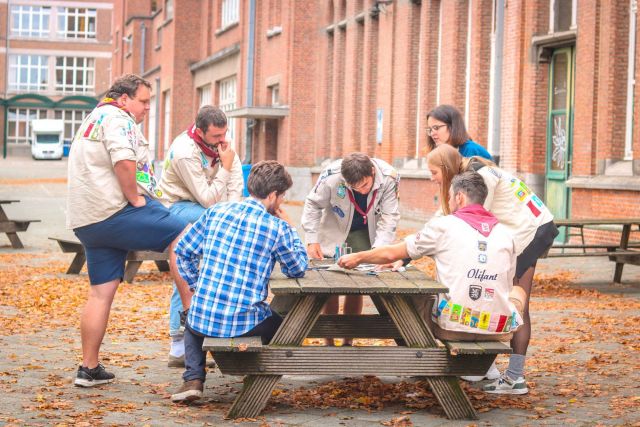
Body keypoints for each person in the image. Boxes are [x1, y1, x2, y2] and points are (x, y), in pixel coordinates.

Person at [67, 74, 191, 387]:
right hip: (115, 210)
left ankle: (89, 369)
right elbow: (124, 162)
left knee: (100, 293)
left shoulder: (93, 118)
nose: (148, 107)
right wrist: (135, 197)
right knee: (187, 232)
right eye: (144, 101)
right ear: (124, 99)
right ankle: (191, 310)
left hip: (88, 221)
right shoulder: (118, 118)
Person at [170, 161, 308, 403]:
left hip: (204, 318)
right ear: (273, 195)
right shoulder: (276, 227)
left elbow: (183, 251)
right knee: (284, 325)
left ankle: (193, 379)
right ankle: (255, 372)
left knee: (193, 320)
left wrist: (196, 285)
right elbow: (297, 268)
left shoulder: (216, 212)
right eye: (282, 196)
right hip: (245, 321)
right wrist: (291, 228)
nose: (282, 201)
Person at [427, 144, 558, 395]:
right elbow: (447, 215)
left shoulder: (480, 176)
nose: (432, 178)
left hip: (531, 232)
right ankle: (489, 368)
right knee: (499, 298)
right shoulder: (473, 170)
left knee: (515, 303)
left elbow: (468, 220)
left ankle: (513, 378)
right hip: (533, 228)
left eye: (433, 172)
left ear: (445, 168)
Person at [338, 171, 523, 340]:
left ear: (459, 197)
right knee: (518, 292)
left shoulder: (444, 226)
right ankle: (488, 367)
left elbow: (390, 254)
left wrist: (358, 257)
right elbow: (508, 284)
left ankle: (418, 348)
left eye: (449, 197)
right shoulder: (506, 234)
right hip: (499, 329)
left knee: (414, 294)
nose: (448, 202)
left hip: (453, 327)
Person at [159, 105, 244, 368]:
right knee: (186, 264)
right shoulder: (185, 152)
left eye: (224, 134)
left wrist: (232, 213)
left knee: (195, 268)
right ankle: (178, 343)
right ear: (200, 131)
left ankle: (190, 343)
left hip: (211, 208)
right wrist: (225, 169)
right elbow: (207, 200)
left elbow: (235, 185)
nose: (222, 141)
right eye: (216, 136)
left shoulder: (224, 146)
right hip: (178, 207)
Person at [301, 153, 400, 346]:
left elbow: (389, 217)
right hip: (335, 228)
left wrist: (378, 251)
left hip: (366, 230)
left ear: (372, 171)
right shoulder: (331, 176)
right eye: (354, 188)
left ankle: (348, 340)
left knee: (357, 286)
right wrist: (312, 239)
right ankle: (329, 341)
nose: (361, 192)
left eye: (365, 185)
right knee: (330, 286)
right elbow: (312, 204)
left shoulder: (389, 177)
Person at [426, 104, 493, 161]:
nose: (432, 133)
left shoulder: (471, 151)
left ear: (453, 126)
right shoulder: (444, 152)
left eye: (436, 128)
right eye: (430, 129)